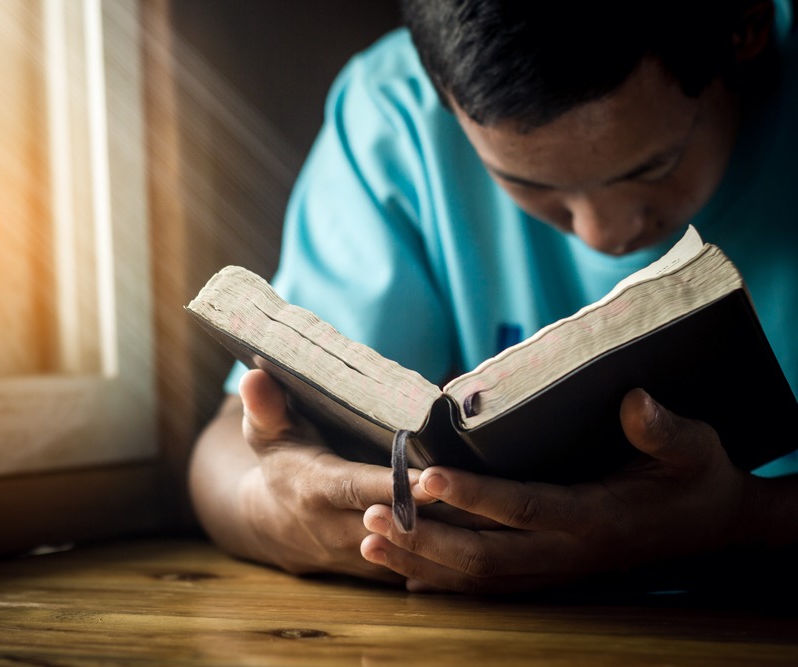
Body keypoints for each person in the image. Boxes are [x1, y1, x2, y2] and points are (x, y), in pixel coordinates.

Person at [188, 0, 798, 595]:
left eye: (654, 167)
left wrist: (754, 519)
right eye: (525, 184)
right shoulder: (398, 111)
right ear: (446, 97)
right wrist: (284, 510)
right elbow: (223, 459)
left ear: (746, 26)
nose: (601, 235)